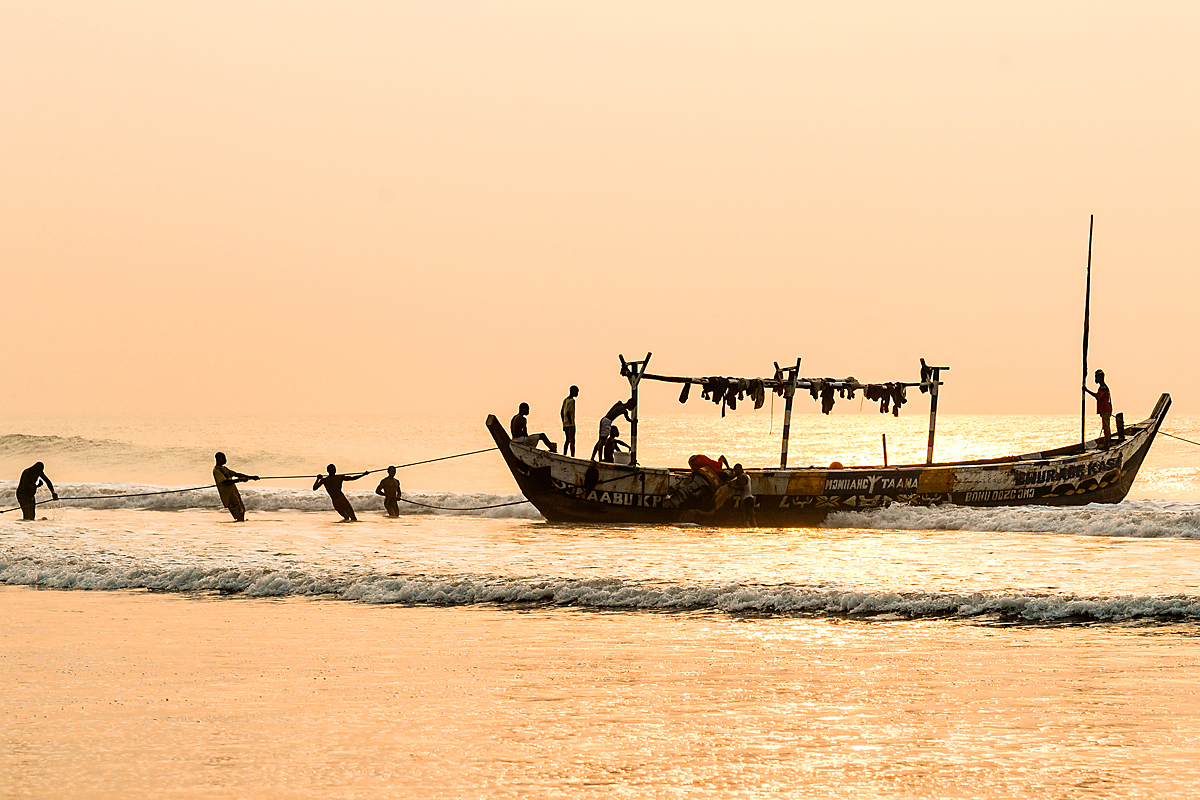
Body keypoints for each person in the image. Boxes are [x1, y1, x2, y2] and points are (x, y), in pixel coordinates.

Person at [213, 452, 259, 522]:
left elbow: (236, 474)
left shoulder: (224, 468)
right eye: (223, 458)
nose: (225, 459)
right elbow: (225, 482)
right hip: (228, 496)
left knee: (242, 512)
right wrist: (240, 480)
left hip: (234, 494)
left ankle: (239, 527)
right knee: (238, 515)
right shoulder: (216, 470)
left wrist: (251, 477)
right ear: (218, 459)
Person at [1083, 369, 1113, 444]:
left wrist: (1087, 390)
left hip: (1105, 410)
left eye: (1096, 377)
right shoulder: (1104, 387)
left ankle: (1107, 444)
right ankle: (1107, 442)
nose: (1095, 379)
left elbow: (1098, 396)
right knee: (1105, 427)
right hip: (1105, 410)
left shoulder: (1103, 388)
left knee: (1106, 427)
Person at [560, 385, 579, 458]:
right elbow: (568, 412)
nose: (577, 394)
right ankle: (572, 456)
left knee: (567, 440)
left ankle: (564, 454)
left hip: (566, 423)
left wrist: (563, 423)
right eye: (577, 392)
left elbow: (561, 412)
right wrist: (571, 423)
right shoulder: (572, 401)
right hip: (570, 424)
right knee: (572, 441)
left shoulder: (565, 400)